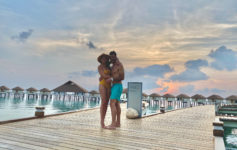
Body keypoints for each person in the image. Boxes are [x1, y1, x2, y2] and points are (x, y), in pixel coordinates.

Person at [106, 51, 124, 129]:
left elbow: (122, 77)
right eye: (111, 57)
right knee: (116, 104)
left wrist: (112, 78)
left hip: (118, 85)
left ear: (116, 56)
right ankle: (118, 123)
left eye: (113, 57)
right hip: (114, 85)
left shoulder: (119, 65)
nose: (112, 59)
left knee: (112, 103)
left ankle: (113, 124)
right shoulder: (112, 65)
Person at [97, 53, 112, 128]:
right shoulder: (100, 67)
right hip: (103, 84)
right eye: (103, 58)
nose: (104, 60)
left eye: (105, 58)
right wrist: (109, 77)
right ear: (101, 60)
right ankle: (102, 122)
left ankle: (103, 120)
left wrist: (110, 77)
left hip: (109, 86)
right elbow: (103, 75)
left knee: (106, 103)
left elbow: (114, 74)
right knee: (103, 101)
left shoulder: (109, 67)